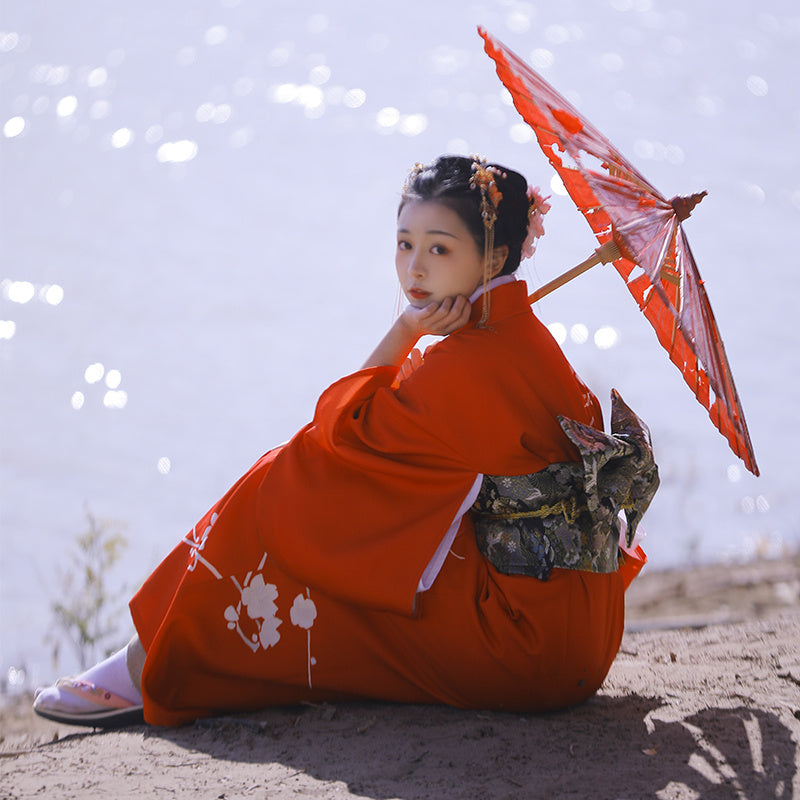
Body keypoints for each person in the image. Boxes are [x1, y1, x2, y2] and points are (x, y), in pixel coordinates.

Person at [33, 155, 656, 728]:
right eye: (405, 244)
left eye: (439, 249)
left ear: (493, 259)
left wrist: (406, 330)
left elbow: (335, 437)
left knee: (278, 488)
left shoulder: (461, 366)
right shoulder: (531, 341)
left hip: (523, 652)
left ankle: (153, 665)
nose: (414, 267)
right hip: (582, 640)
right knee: (309, 506)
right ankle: (152, 654)